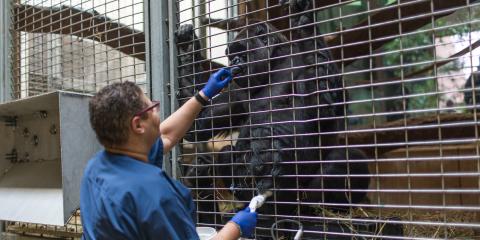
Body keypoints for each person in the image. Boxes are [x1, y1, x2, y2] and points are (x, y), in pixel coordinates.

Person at [80, 68, 257, 240]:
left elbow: (167, 134)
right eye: (153, 108)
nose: (157, 112)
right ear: (137, 125)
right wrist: (235, 228)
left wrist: (203, 96)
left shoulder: (94, 169)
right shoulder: (157, 193)